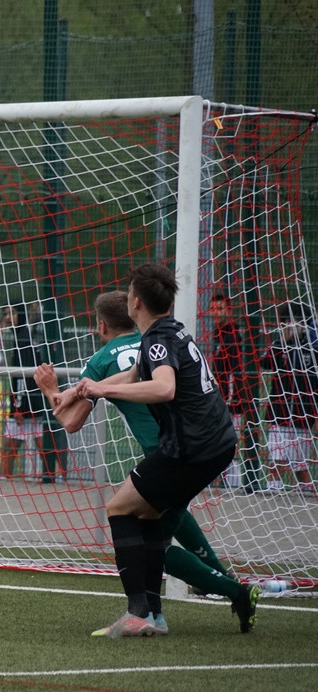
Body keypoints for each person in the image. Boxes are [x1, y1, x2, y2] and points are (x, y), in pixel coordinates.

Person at [34, 290, 260, 635]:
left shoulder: (102, 359)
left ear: (102, 325)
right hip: (199, 443)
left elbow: (71, 422)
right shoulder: (155, 340)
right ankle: (175, 606)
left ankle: (228, 592)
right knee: (158, 524)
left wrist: (50, 390)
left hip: (171, 453)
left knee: (146, 537)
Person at [72, 263, 238, 638]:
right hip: (214, 443)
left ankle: (141, 612)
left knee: (120, 509)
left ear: (135, 301)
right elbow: (132, 376)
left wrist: (102, 389)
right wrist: (76, 390)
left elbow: (164, 388)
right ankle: (156, 614)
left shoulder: (157, 340)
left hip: (190, 449)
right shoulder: (169, 331)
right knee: (149, 521)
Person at [261, 302, 318, 493]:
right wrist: (282, 342)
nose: (293, 325)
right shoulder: (279, 345)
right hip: (280, 411)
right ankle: (273, 487)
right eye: (288, 321)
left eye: (298, 322)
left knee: (301, 462)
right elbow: (265, 363)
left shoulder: (312, 348)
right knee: (277, 457)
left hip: (303, 413)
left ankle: (304, 489)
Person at [208, 293, 256, 489]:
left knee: (229, 442)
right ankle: (221, 481)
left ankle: (233, 484)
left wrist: (231, 398)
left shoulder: (233, 335)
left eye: (220, 309)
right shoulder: (214, 334)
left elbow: (235, 372)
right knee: (216, 441)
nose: (215, 313)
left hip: (230, 400)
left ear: (229, 311)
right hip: (217, 397)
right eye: (212, 309)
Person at [0, 303, 48, 481]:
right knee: (36, 443)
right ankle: (55, 476)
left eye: (12, 313)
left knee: (14, 444)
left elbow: (23, 376)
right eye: (5, 313)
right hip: (33, 400)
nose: (7, 317)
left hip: (27, 402)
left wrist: (18, 407)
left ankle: (4, 478)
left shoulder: (23, 338)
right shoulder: (24, 335)